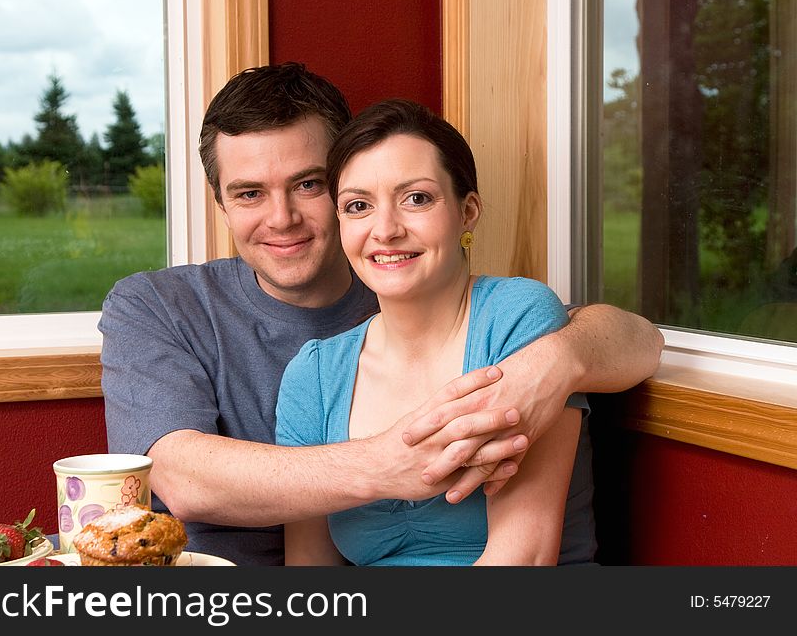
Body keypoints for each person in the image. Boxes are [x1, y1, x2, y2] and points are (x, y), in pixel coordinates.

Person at [99, 62, 663, 566]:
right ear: (220, 203)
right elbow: (182, 480)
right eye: (249, 193)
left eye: (309, 184)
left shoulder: (451, 298)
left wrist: (562, 357)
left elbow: (634, 339)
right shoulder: (181, 316)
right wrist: (385, 464)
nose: (282, 218)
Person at [276, 99, 592, 565]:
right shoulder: (314, 374)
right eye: (358, 206)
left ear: (467, 212)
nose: (385, 230)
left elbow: (523, 558)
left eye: (416, 198)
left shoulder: (515, 319)